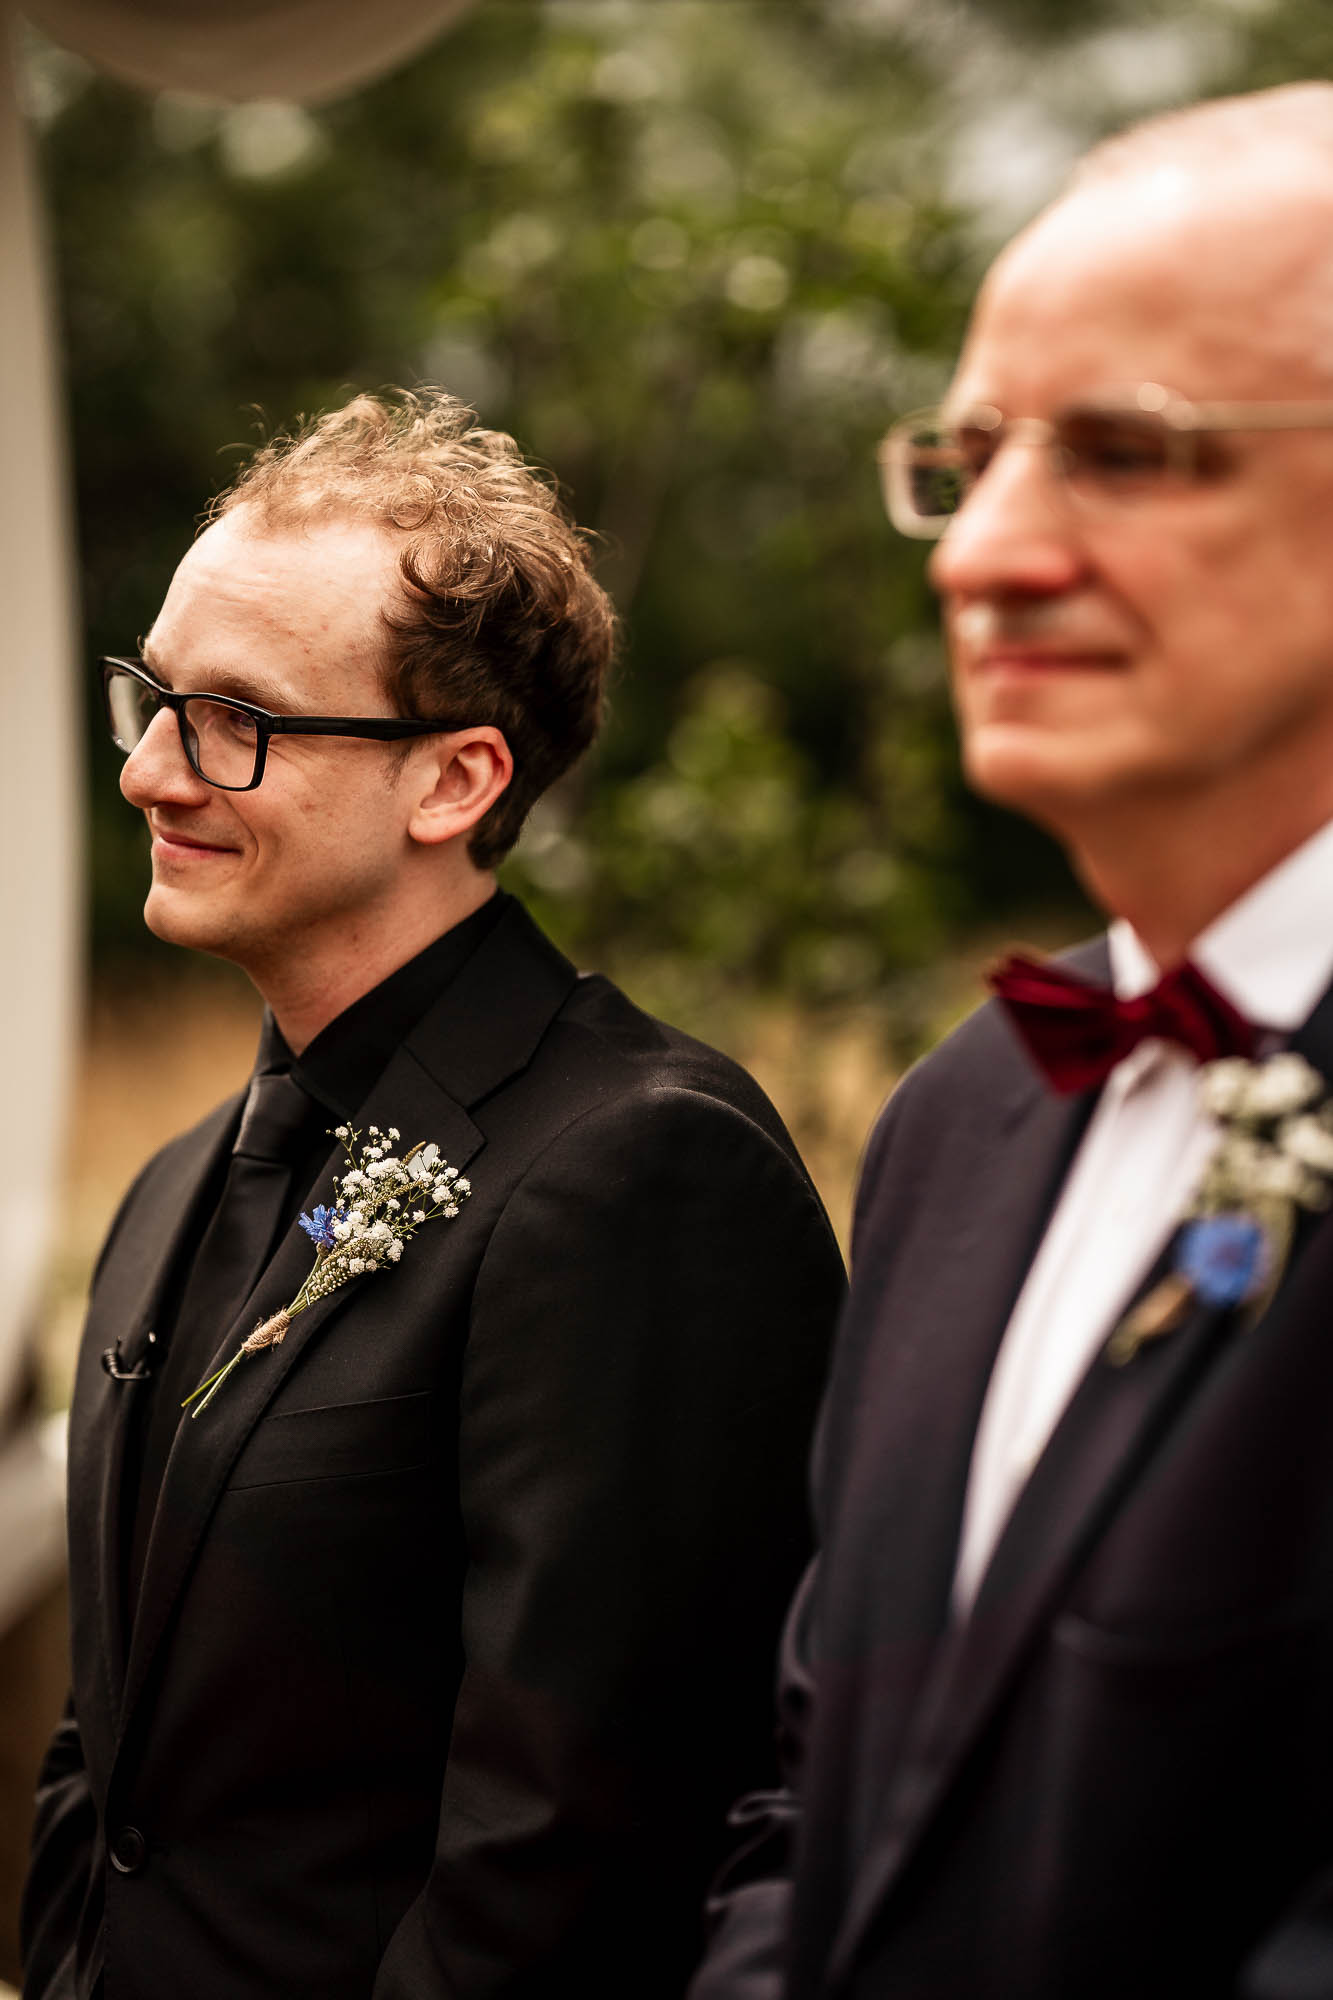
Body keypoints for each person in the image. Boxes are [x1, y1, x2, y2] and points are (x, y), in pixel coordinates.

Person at [21, 389, 845, 2000]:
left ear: (455, 782)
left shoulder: (639, 1169)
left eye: (232, 718)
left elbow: (578, 1848)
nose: (146, 773)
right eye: (148, 697)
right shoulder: (180, 1178)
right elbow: (105, 1753)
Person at [689, 83, 1333, 2000]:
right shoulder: (962, 1117)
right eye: (967, 461)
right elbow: (813, 1802)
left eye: (1127, 452)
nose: (979, 558)